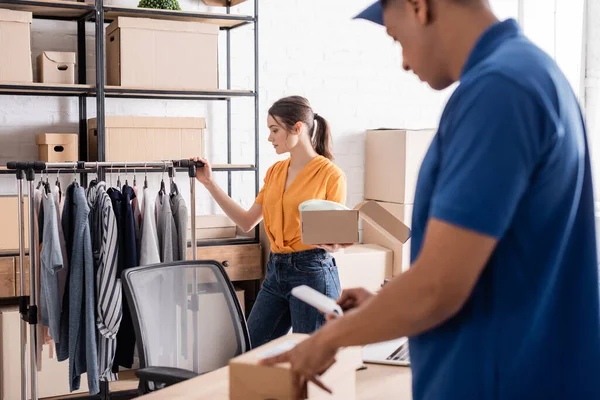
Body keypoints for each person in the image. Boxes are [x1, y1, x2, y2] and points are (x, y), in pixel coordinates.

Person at [261, 1, 600, 399]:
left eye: (397, 38)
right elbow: (486, 263)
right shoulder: (529, 73)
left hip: (503, 380)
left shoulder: (499, 91)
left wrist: (324, 341)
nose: (404, 62)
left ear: (419, 6)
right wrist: (386, 303)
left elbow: (439, 286)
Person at [193, 96, 349, 348]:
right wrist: (209, 183)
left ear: (297, 128)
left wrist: (333, 243)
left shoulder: (330, 175)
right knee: (249, 352)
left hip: (312, 271)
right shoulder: (275, 172)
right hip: (276, 271)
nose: (270, 137)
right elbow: (246, 222)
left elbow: (334, 239)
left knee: (308, 358)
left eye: (274, 130)